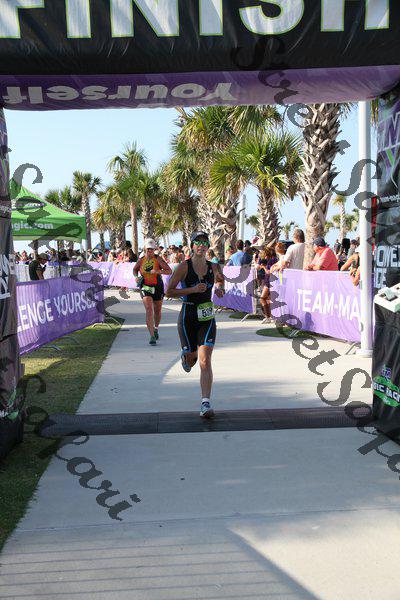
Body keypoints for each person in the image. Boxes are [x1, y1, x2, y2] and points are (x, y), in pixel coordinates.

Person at [166, 231, 225, 419]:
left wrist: (220, 288)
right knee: (192, 360)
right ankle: (186, 358)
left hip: (207, 317)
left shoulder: (213, 266)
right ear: (192, 246)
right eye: (197, 242)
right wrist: (192, 289)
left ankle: (205, 403)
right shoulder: (184, 267)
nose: (201, 245)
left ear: (208, 246)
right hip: (188, 316)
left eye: (204, 242)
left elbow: (220, 278)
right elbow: (169, 291)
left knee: (205, 359)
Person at [133, 238, 172, 345]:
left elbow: (169, 271)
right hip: (145, 287)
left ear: (154, 249)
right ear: (145, 248)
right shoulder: (141, 260)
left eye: (151, 249)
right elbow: (135, 269)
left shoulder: (158, 259)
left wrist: (158, 271)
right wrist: (136, 277)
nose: (150, 251)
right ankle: (152, 336)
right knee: (149, 310)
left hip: (158, 287)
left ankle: (156, 328)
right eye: (148, 249)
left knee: (157, 311)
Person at [257, 246, 278, 322]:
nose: (265, 257)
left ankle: (268, 316)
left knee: (262, 298)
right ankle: (269, 317)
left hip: (270, 281)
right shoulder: (271, 260)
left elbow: (269, 272)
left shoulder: (273, 260)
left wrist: (264, 267)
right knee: (267, 299)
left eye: (266, 255)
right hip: (268, 280)